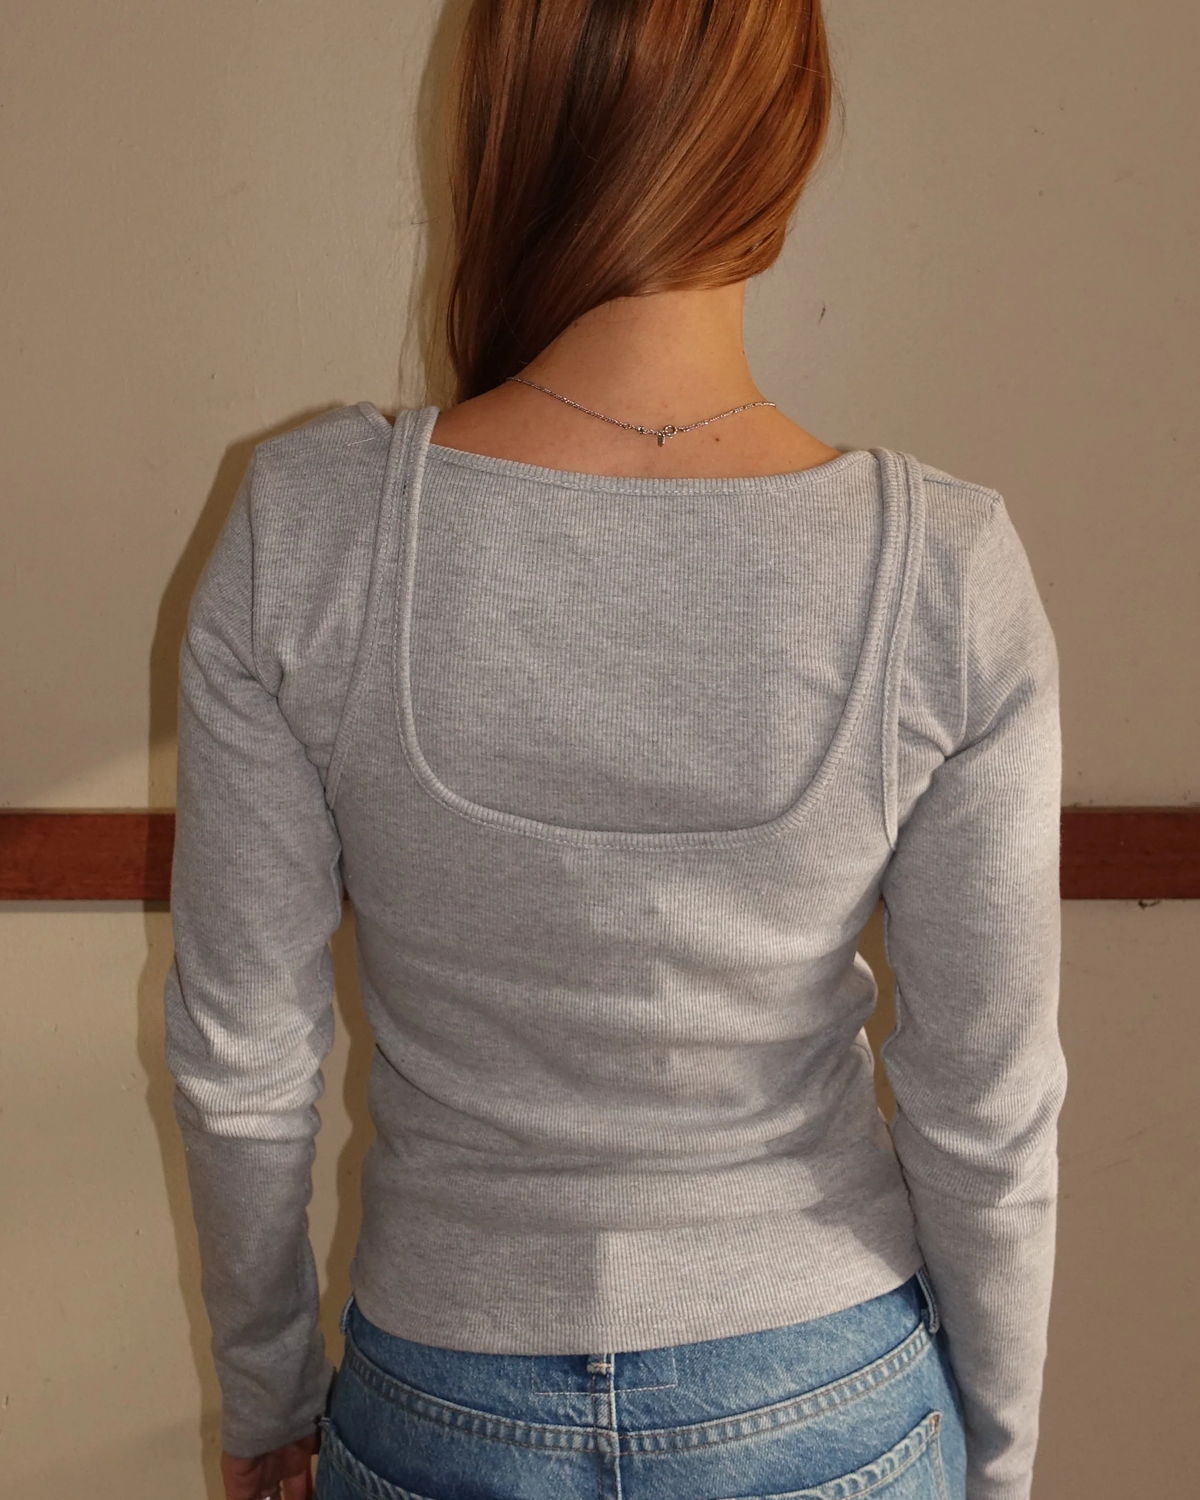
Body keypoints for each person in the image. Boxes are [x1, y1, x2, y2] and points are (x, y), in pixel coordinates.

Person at [163, 3, 1066, 1498]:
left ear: (499, 130)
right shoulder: (946, 571)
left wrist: (267, 1396)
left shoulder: (309, 525)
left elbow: (240, 1064)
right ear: (785, 145)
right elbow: (987, 1106)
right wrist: (998, 1458)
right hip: (825, 1387)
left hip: (443, 1386)